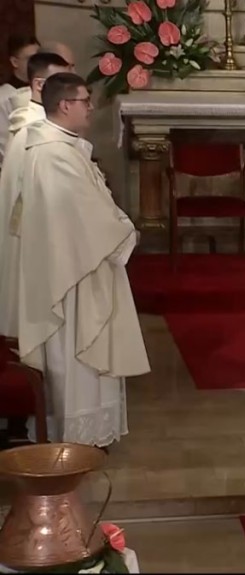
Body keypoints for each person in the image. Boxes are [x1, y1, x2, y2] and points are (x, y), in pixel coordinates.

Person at [17, 73, 148, 447]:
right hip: (73, 271)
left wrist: (117, 226)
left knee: (82, 349)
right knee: (78, 353)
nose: (90, 108)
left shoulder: (60, 147)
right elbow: (86, 216)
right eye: (84, 101)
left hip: (80, 261)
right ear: (64, 105)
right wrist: (125, 232)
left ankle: (86, 433)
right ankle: (78, 436)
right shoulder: (53, 154)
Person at [0, 52, 73, 338]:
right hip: (33, 226)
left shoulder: (40, 123)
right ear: (40, 85)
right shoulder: (34, 130)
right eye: (60, 82)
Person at [0, 34, 39, 167]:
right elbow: (4, 145)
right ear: (15, 62)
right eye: (30, 59)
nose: (36, 64)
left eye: (38, 58)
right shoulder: (3, 97)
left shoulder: (46, 89)